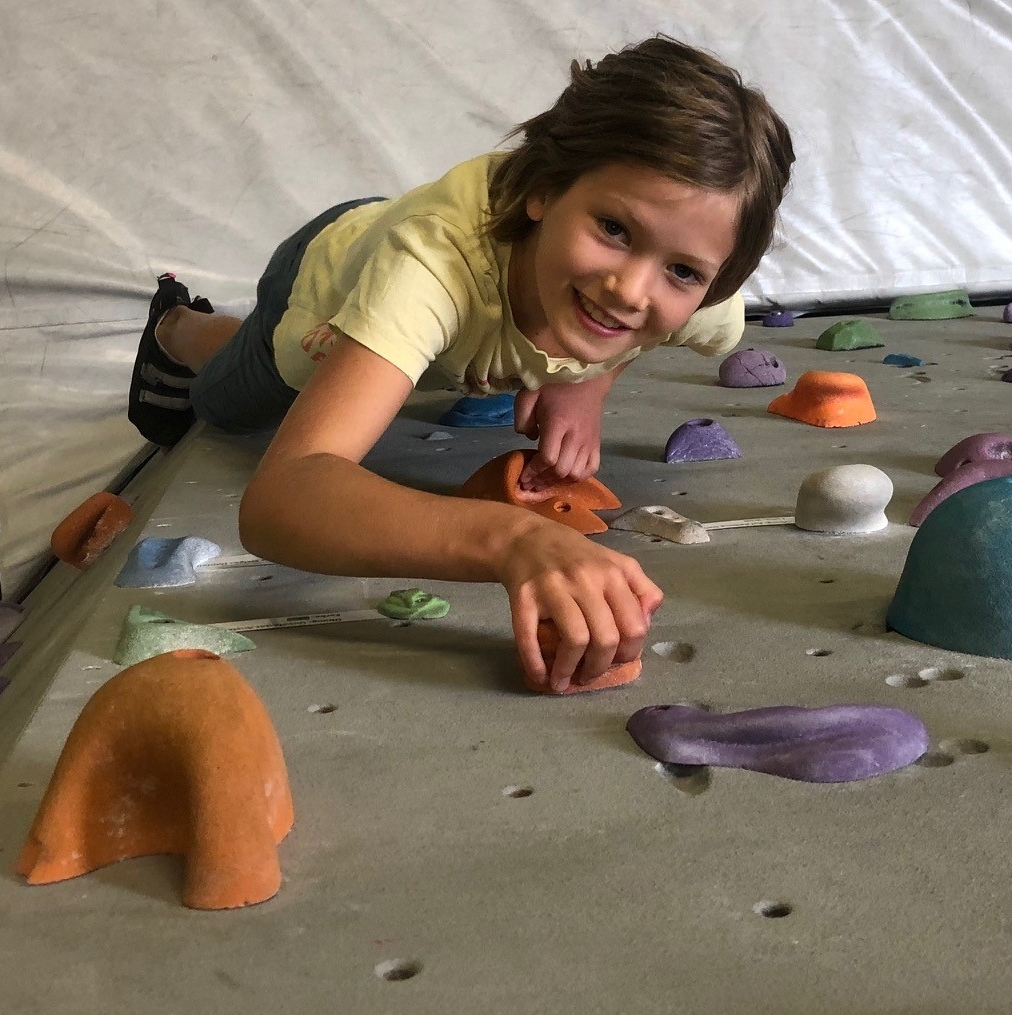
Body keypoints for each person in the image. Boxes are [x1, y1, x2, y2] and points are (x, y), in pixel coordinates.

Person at [125, 36, 795, 693]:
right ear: (542, 189)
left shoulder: (704, 302)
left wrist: (589, 380)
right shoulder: (428, 270)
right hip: (323, 283)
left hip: (439, 332)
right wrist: (514, 541)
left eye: (682, 272)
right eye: (614, 230)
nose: (630, 291)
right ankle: (177, 325)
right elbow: (281, 500)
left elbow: (655, 321)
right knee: (231, 400)